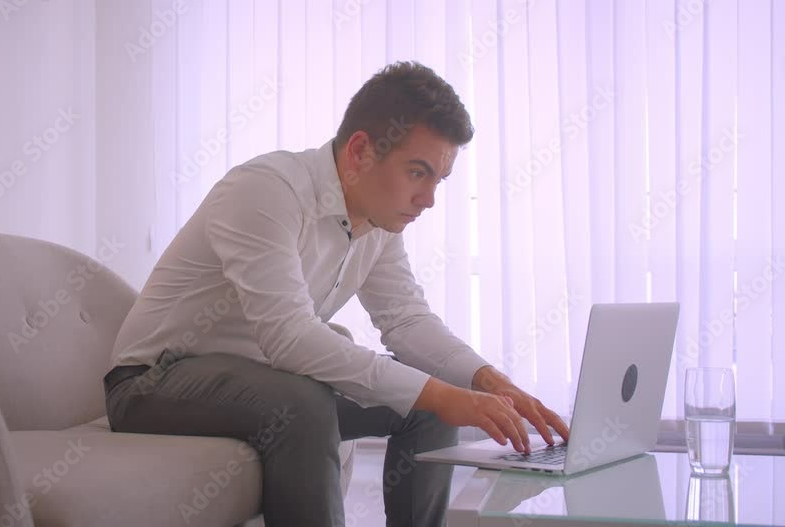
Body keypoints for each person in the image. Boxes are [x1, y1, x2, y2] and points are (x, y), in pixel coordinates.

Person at [103, 61, 570, 527]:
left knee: (430, 407)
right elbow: (289, 338)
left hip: (266, 379)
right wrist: (439, 393)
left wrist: (488, 382)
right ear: (361, 150)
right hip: (153, 382)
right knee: (306, 402)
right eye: (417, 172)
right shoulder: (265, 190)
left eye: (438, 180)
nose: (428, 199)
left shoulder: (378, 221)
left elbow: (406, 319)